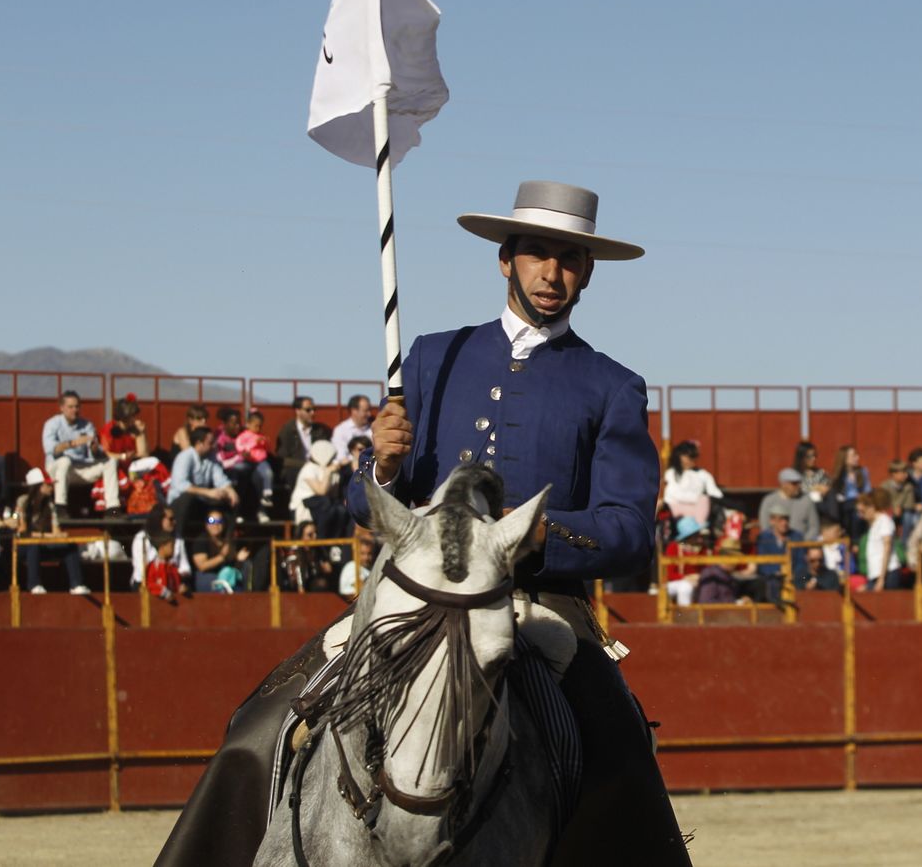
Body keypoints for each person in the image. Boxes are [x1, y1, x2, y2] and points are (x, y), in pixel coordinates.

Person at [158, 180, 687, 866]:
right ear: (505, 258)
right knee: (257, 724)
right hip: (410, 599)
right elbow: (366, 504)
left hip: (537, 606)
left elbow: (624, 530)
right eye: (537, 254)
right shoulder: (434, 356)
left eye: (570, 258)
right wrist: (379, 468)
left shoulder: (612, 383)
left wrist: (529, 537)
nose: (552, 273)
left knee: (620, 747)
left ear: (587, 270)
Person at [43, 390, 121, 514]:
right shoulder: (52, 424)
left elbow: (94, 454)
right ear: (62, 408)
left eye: (77, 406)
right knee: (64, 461)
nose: (74, 410)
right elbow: (50, 450)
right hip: (58, 469)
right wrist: (72, 443)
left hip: (81, 467)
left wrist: (94, 449)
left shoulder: (87, 425)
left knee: (111, 462)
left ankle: (113, 508)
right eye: (70, 407)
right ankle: (60, 506)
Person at [15, 467, 90, 596]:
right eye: (48, 484)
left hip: (43, 543)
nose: (51, 487)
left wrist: (55, 536)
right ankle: (34, 585)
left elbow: (57, 532)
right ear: (38, 486)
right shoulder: (23, 502)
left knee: (70, 546)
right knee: (33, 545)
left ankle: (76, 585)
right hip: (24, 546)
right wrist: (46, 535)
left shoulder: (49, 505)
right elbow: (24, 532)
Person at [167, 427, 239, 536]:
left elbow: (220, 479)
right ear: (199, 443)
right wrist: (208, 492)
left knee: (230, 501)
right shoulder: (185, 457)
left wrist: (230, 490)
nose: (213, 445)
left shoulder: (211, 458)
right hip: (179, 506)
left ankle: (226, 541)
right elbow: (180, 485)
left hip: (200, 504)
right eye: (210, 442)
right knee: (188, 497)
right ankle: (178, 540)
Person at [215, 408, 273, 517]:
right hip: (231, 471)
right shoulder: (221, 440)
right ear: (225, 424)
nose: (237, 426)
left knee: (260, 476)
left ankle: (261, 511)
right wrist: (240, 457)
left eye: (238, 423)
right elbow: (222, 461)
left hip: (251, 465)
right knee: (238, 473)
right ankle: (236, 512)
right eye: (234, 423)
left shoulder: (246, 434)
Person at [288, 439, 344, 538]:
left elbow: (334, 494)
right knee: (325, 503)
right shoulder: (309, 469)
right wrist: (328, 473)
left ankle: (335, 542)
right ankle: (321, 540)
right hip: (306, 503)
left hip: (324, 503)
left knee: (340, 509)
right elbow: (321, 491)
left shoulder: (329, 469)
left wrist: (335, 476)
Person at [660, 440, 723, 527]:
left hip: (698, 510)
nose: (692, 460)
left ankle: (698, 527)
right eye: (689, 457)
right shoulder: (671, 473)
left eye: (694, 457)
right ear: (680, 457)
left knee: (704, 499)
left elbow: (716, 494)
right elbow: (671, 494)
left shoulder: (703, 474)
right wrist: (696, 497)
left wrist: (702, 498)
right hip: (675, 510)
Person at [131, 504, 191, 593]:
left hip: (172, 582)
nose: (174, 522)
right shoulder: (142, 538)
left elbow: (184, 566)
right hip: (145, 584)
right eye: (171, 519)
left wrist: (177, 576)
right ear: (159, 519)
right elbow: (141, 570)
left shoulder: (177, 539)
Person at [273, 396, 323, 500]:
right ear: (297, 411)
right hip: (297, 469)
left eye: (314, 409)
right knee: (292, 472)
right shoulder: (288, 430)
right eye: (308, 410)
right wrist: (305, 465)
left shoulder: (319, 431)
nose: (312, 413)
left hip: (317, 468)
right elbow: (282, 458)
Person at [192, 511, 250, 593]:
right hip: (207, 579)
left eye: (219, 521)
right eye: (211, 521)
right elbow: (202, 566)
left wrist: (237, 558)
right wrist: (222, 556)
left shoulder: (226, 540)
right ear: (206, 524)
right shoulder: (201, 540)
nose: (215, 524)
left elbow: (231, 562)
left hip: (226, 578)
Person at [759, 467, 820, 540]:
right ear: (783, 484)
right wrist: (778, 543)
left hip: (802, 545)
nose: (798, 486)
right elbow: (765, 527)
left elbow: (814, 526)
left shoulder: (806, 500)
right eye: (794, 483)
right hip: (776, 546)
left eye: (799, 483)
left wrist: (803, 543)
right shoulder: (769, 501)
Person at [861, 488, 902, 591]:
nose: (862, 513)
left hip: (887, 574)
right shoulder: (875, 524)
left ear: (872, 507)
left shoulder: (884, 521)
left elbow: (886, 548)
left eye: (865, 508)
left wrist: (881, 578)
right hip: (878, 574)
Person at [277, 520, 335, 594]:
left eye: (316, 533)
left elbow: (328, 569)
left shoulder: (317, 550)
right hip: (291, 589)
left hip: (308, 585)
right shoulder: (294, 552)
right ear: (301, 537)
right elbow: (296, 579)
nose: (315, 537)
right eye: (310, 535)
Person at [663, 516, 710, 605]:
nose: (699, 538)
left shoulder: (703, 549)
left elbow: (707, 569)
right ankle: (686, 616)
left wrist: (698, 577)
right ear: (688, 537)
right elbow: (669, 573)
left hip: (697, 581)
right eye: (696, 535)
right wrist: (686, 578)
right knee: (685, 587)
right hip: (675, 583)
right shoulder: (674, 548)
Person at [755, 505, 798, 601]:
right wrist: (779, 572)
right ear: (772, 521)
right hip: (772, 577)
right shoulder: (763, 538)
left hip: (795, 576)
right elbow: (762, 564)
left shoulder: (797, 537)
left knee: (804, 579)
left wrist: (793, 574)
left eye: (786, 519)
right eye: (780, 520)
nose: (784, 523)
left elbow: (802, 562)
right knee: (769, 582)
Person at [99, 395, 150, 467]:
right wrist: (123, 456)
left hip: (133, 466)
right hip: (114, 466)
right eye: (132, 416)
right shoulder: (108, 429)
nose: (134, 419)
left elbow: (144, 456)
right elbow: (104, 454)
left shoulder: (135, 429)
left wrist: (141, 434)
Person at [329, 394, 374, 464]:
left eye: (369, 410)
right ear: (354, 411)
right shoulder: (341, 430)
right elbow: (341, 457)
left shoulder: (374, 430)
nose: (369, 414)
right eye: (365, 411)